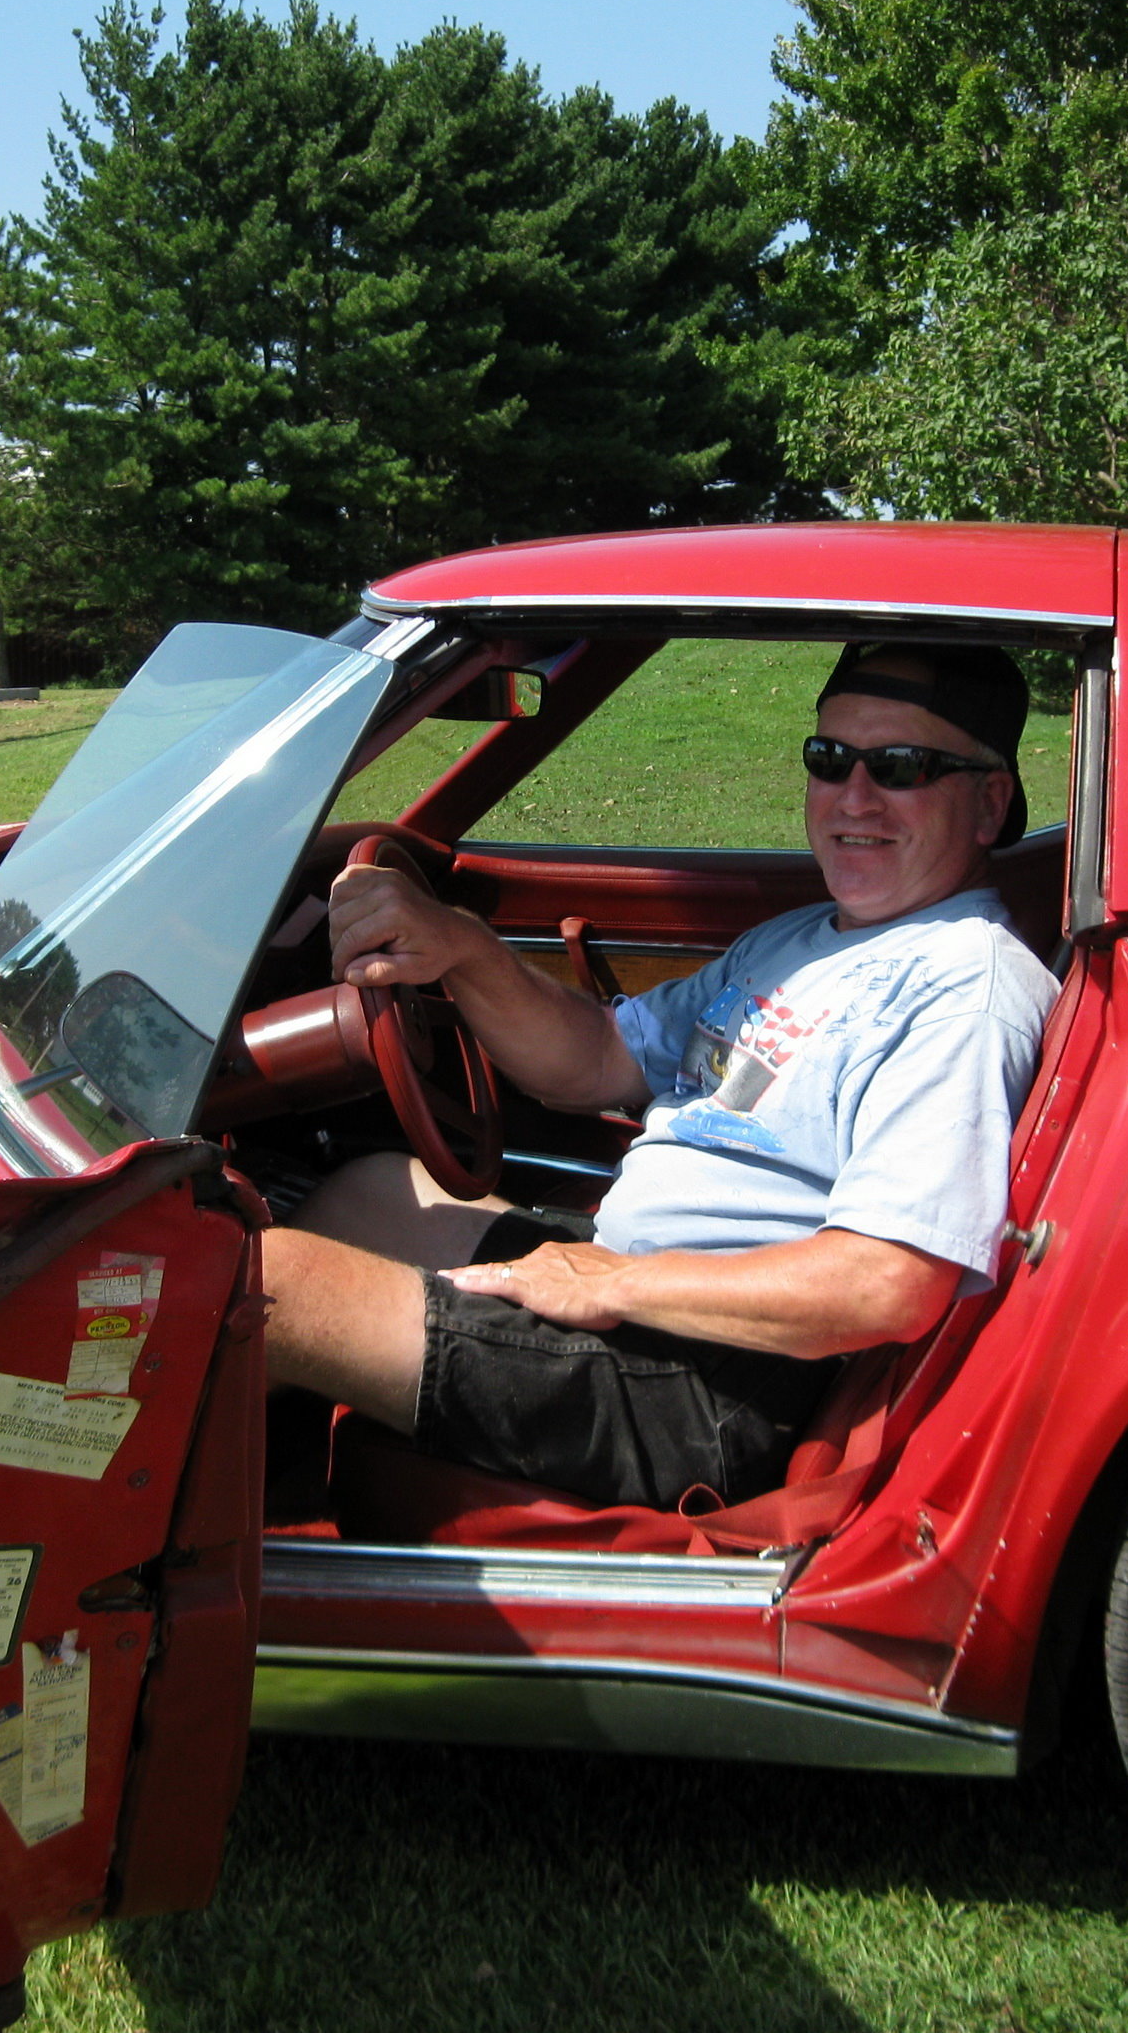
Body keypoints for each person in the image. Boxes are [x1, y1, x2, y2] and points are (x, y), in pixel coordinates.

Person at [260, 641, 1062, 1511]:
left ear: (988, 805)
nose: (852, 796)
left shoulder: (962, 986)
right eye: (828, 759)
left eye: (900, 767)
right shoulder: (800, 940)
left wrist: (611, 1282)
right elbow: (599, 1064)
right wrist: (464, 950)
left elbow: (887, 1283)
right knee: (371, 1193)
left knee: (263, 1284)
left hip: (711, 1389)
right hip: (645, 1300)